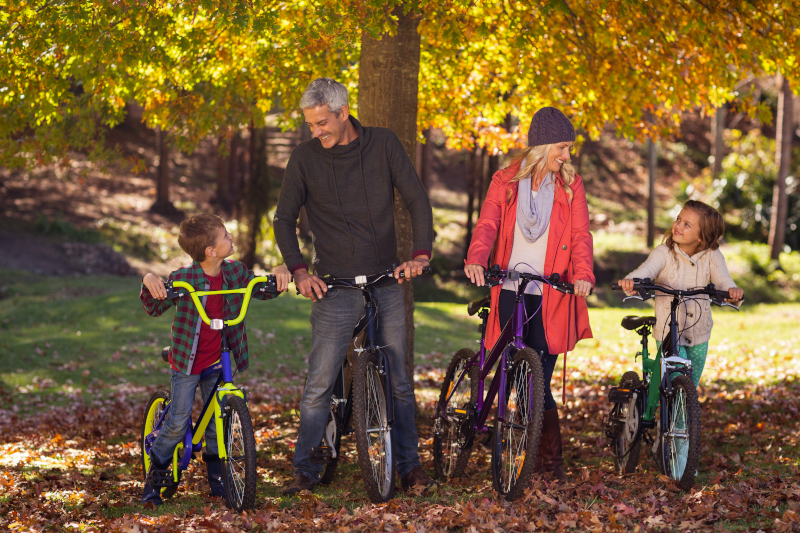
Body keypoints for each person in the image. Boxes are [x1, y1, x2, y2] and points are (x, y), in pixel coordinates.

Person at [273, 77, 436, 495]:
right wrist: (299, 271)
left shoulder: (383, 144)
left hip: (386, 280)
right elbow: (283, 219)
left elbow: (416, 198)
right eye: (310, 124)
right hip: (332, 286)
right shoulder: (304, 158)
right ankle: (306, 472)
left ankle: (408, 466)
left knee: (398, 380)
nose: (316, 131)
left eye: (322, 123)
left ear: (344, 113)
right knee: (318, 385)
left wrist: (420, 255)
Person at [464, 107, 594, 483]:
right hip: (507, 285)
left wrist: (583, 275)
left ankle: (548, 459)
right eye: (563, 147)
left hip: (551, 291)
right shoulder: (505, 181)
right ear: (542, 145)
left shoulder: (571, 186)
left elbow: (581, 236)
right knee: (509, 368)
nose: (567, 155)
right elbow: (487, 223)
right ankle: (514, 440)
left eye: (569, 148)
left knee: (538, 379)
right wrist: (476, 259)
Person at [139, 213, 291, 505]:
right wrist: (149, 280)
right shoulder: (184, 278)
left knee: (215, 423)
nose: (231, 237)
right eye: (225, 236)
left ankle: (218, 480)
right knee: (178, 420)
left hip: (218, 359)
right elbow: (154, 307)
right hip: (187, 362)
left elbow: (262, 289)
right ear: (210, 251)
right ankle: (155, 477)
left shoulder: (236, 272)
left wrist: (280, 272)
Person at [617, 200, 744, 386]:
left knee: (689, 388)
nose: (677, 225)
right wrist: (632, 281)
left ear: (702, 236)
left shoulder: (712, 255)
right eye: (678, 219)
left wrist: (732, 291)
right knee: (677, 380)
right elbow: (646, 271)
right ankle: (669, 410)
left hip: (699, 334)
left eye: (687, 224)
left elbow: (723, 280)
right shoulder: (664, 253)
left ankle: (683, 415)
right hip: (668, 333)